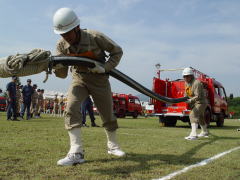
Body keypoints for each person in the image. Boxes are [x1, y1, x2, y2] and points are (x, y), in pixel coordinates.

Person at [52, 7, 125, 166]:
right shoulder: (61, 46)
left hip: (100, 79)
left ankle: (113, 146)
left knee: (107, 113)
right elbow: (63, 74)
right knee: (71, 107)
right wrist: (56, 67)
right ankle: (76, 151)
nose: (66, 37)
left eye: (68, 33)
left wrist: (105, 67)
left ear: (77, 27)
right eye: (62, 34)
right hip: (79, 78)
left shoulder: (95, 37)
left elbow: (117, 52)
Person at [183, 67, 209, 140]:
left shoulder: (196, 83)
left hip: (201, 102)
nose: (185, 78)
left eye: (187, 76)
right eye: (184, 76)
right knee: (200, 117)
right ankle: (204, 132)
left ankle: (194, 135)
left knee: (192, 115)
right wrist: (184, 98)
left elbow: (198, 96)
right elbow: (186, 92)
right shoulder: (187, 83)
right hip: (195, 102)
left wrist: (190, 101)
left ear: (191, 75)